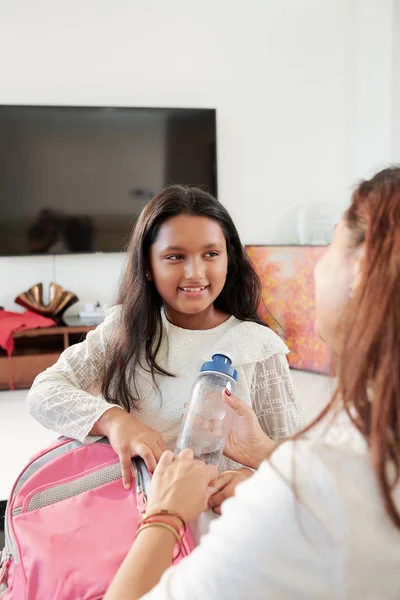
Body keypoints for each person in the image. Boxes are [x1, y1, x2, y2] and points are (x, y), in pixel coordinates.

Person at [104, 167, 400, 600]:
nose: (316, 269)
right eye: (174, 256)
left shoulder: (313, 483)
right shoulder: (338, 459)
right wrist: (269, 457)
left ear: (363, 270)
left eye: (329, 246)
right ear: (146, 265)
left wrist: (166, 514)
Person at [27, 184, 300, 517]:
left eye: (210, 254)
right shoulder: (124, 330)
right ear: (148, 265)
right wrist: (114, 421)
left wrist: (253, 480)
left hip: (217, 532)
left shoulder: (258, 345)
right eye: (175, 257)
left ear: (229, 259)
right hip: (128, 523)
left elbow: (290, 460)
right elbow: (44, 393)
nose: (195, 273)